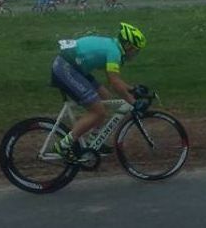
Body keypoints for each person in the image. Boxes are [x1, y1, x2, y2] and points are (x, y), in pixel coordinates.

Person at [51, 22, 148, 162]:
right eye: (135, 50)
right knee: (98, 111)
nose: (135, 54)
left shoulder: (113, 46)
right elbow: (114, 82)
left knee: (105, 97)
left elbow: (114, 80)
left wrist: (132, 89)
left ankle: (93, 140)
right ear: (127, 45)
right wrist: (133, 102)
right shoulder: (114, 51)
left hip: (74, 67)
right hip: (66, 67)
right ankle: (63, 145)